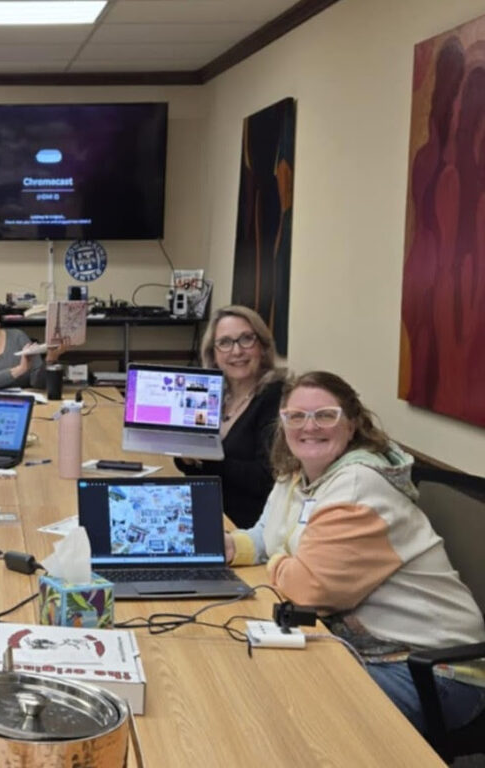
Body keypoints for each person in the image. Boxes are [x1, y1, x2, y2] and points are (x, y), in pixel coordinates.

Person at [225, 371, 485, 734]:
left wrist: (280, 560)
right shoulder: (297, 475)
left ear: (352, 425)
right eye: (296, 416)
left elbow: (308, 590)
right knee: (248, 674)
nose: (309, 426)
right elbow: (268, 537)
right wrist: (227, 547)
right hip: (362, 649)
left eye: (325, 415)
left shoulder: (358, 487)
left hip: (431, 670)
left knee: (290, 713)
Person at [175, 305, 285, 528]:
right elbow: (195, 464)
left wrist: (205, 459)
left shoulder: (276, 398)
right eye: (225, 343)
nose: (236, 352)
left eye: (246, 339)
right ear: (213, 355)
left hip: (246, 527)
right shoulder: (214, 393)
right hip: (206, 508)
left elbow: (267, 478)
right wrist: (185, 457)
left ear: (263, 347)